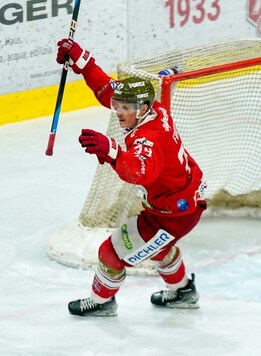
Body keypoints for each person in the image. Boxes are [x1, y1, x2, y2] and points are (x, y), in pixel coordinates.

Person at [56, 39, 207, 316]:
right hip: (182, 203)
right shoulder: (152, 109)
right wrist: (82, 61)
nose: (119, 112)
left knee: (110, 253)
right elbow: (107, 91)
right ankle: (183, 290)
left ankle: (102, 302)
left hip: (172, 214)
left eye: (126, 108)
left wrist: (111, 150)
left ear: (142, 108)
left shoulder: (149, 138)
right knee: (160, 248)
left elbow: (139, 172)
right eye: (120, 106)